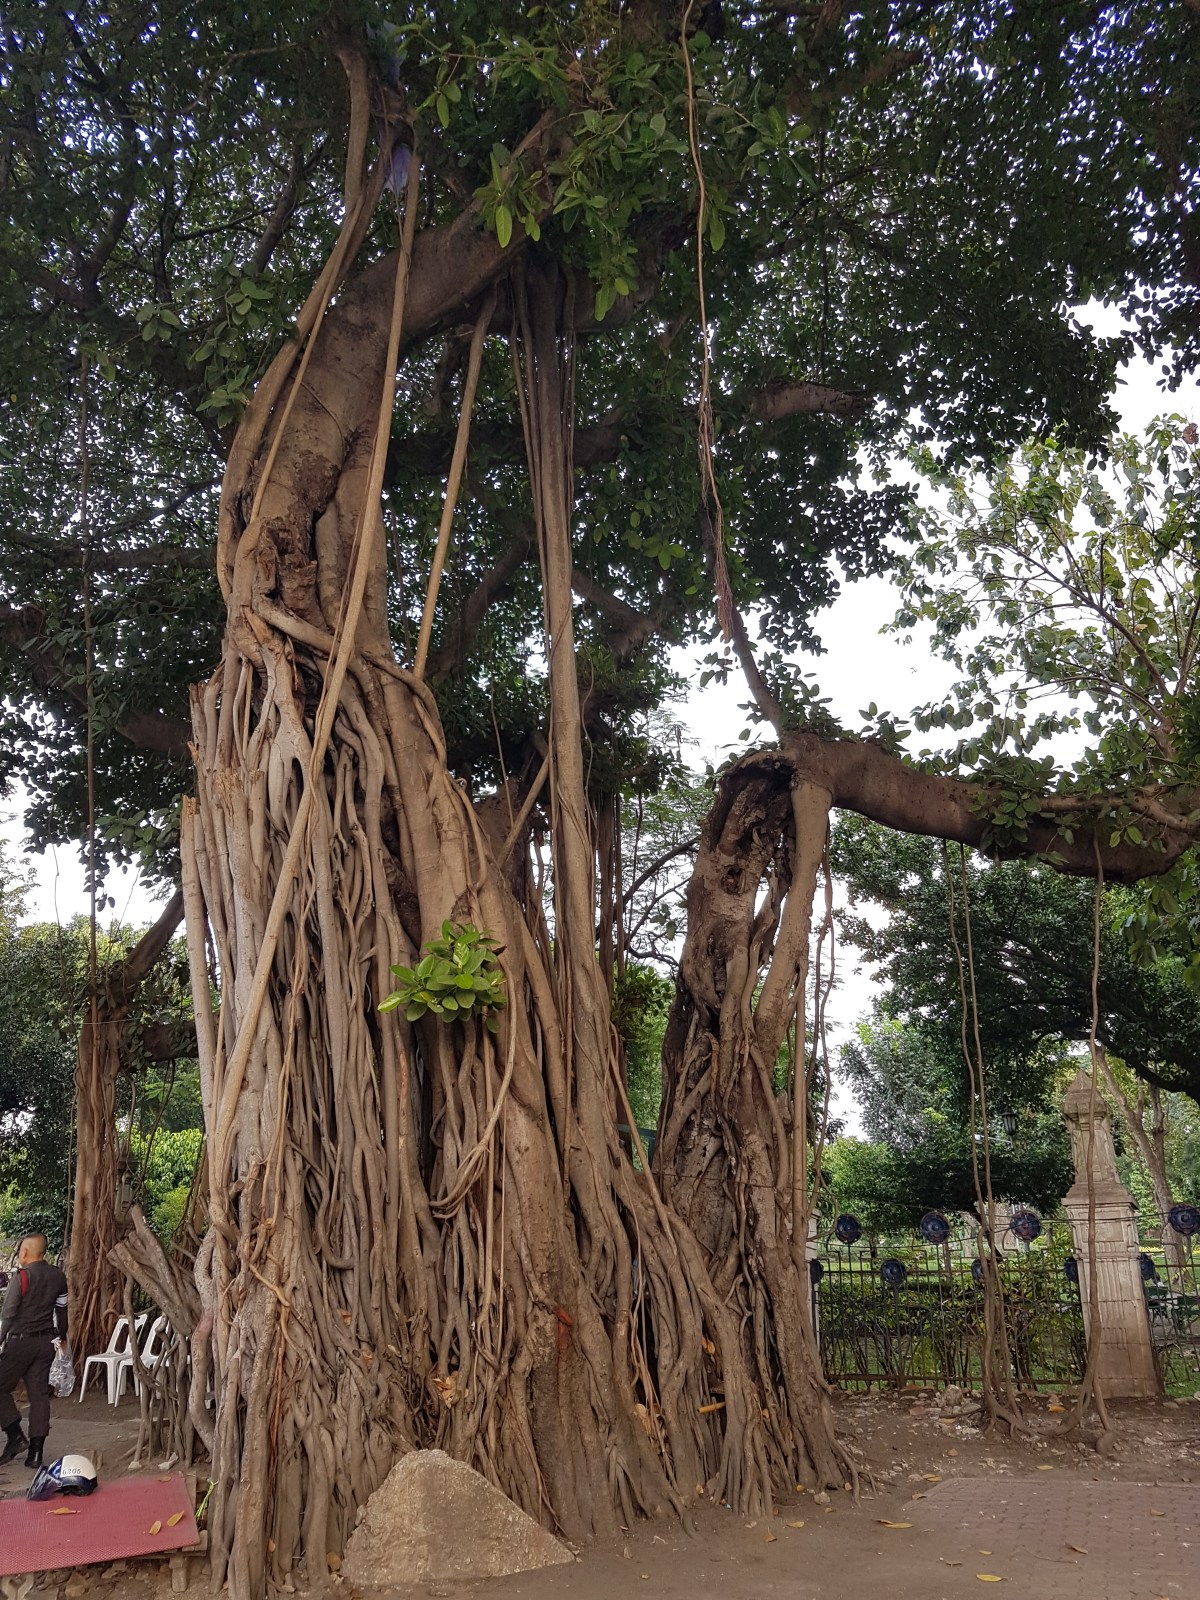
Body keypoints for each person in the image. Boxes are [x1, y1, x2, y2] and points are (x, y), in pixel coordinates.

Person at [0, 1234, 68, 1468]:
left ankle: (15, 1436)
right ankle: (36, 1454)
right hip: (46, 1342)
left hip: (20, 1342)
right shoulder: (58, 1276)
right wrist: (62, 1336)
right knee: (39, 1395)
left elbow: (8, 1315)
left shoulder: (22, 1277)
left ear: (26, 1253)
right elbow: (62, 1310)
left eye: (20, 1250)